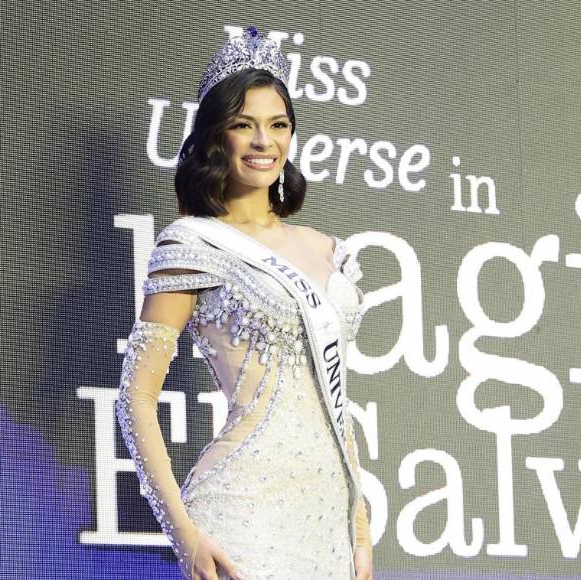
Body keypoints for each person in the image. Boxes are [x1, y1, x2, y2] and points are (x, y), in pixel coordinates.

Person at [116, 27, 373, 580]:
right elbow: (135, 400)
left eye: (278, 125)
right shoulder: (192, 246)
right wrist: (184, 534)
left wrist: (358, 526)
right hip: (242, 513)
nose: (264, 141)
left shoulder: (325, 248)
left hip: (328, 522)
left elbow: (334, 402)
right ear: (217, 137)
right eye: (243, 125)